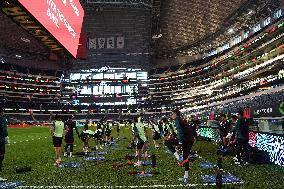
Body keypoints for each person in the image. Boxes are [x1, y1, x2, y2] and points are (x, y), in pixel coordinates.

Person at [171, 109, 195, 183]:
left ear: (175, 114)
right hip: (189, 140)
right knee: (185, 158)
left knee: (167, 142)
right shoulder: (180, 120)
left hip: (186, 140)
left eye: (172, 114)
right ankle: (186, 176)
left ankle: (178, 156)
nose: (171, 116)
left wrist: (180, 143)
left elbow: (180, 133)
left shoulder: (177, 120)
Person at [0, 109, 9, 180]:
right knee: (1, 156)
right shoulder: (2, 118)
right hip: (0, 140)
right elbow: (4, 130)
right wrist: (6, 137)